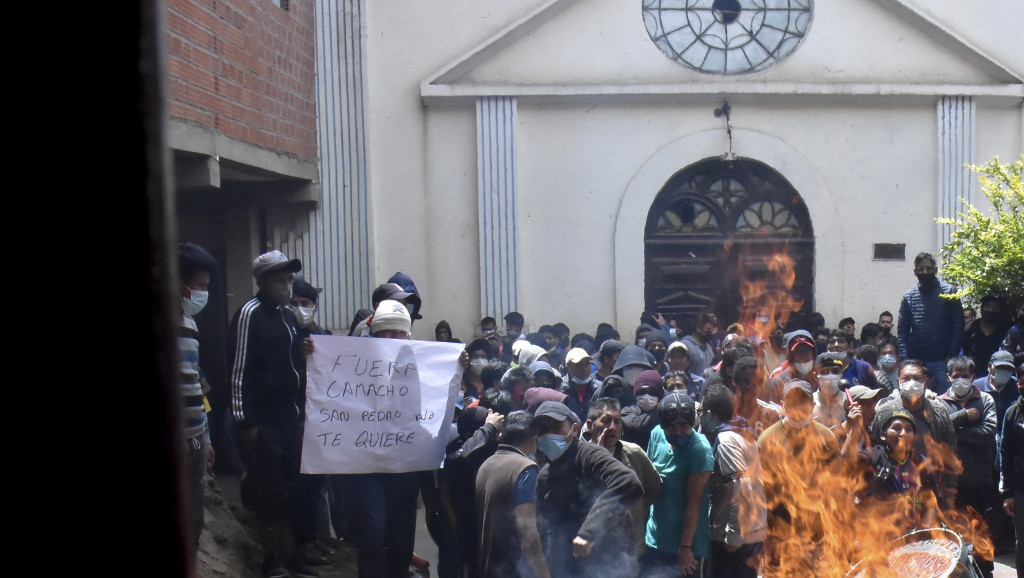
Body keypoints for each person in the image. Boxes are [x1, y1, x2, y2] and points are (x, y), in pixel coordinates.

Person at [228, 250, 316, 578]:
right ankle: (272, 560)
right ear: (261, 280)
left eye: (289, 278)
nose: (286, 284)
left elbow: (293, 365)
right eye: (280, 278)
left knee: (289, 489)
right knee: (269, 494)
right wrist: (244, 422)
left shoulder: (288, 316)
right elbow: (239, 371)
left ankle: (291, 556)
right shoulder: (250, 314)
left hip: (287, 419)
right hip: (262, 421)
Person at [338, 300, 424, 578]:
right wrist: (312, 359)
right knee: (373, 532)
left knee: (401, 535)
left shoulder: (417, 362)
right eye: (388, 333)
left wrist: (455, 367)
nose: (395, 339)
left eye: (400, 334)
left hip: (402, 463)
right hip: (365, 465)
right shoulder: (350, 363)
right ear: (375, 333)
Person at [533, 401, 644, 578]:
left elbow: (628, 482)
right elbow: (544, 529)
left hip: (609, 566)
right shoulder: (544, 477)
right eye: (543, 430)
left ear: (575, 429)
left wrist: (588, 533)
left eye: (556, 427)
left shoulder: (590, 455)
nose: (549, 434)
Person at [757, 379, 839, 575]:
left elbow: (837, 487)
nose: (797, 405)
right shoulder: (767, 440)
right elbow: (760, 494)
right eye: (792, 400)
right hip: (779, 533)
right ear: (783, 404)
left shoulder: (826, 438)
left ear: (812, 405)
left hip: (817, 534)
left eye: (803, 400)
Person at [644, 392, 715, 578]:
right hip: (657, 539)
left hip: (688, 547)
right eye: (672, 427)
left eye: (684, 426)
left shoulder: (699, 450)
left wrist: (684, 549)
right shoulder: (656, 435)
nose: (678, 432)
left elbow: (694, 503)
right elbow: (650, 481)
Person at [178, 242, 217, 572]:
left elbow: (193, 384)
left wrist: (205, 437)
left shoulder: (189, 326)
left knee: (194, 520)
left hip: (194, 439)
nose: (203, 294)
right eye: (200, 286)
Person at [939, 355, 997, 576]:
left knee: (982, 533)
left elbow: (987, 433)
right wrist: (964, 417)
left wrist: (953, 431)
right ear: (948, 377)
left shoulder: (986, 400)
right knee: (952, 536)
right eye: (956, 376)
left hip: (980, 479)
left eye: (965, 376)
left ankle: (985, 572)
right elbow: (938, 434)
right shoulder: (940, 402)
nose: (961, 380)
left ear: (973, 377)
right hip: (951, 483)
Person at [701, 383, 767, 578]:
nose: (700, 416)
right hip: (750, 533)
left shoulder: (726, 440)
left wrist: (733, 533)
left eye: (701, 411)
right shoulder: (740, 433)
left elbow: (740, 486)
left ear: (710, 413)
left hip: (739, 539)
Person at [475, 411, 550, 578]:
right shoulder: (526, 469)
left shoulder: (486, 465)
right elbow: (527, 531)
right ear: (533, 439)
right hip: (515, 569)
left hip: (489, 567)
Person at [586, 398, 662, 556]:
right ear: (589, 425)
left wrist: (637, 507)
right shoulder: (580, 457)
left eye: (617, 421)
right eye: (606, 421)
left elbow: (655, 486)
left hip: (630, 550)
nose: (612, 427)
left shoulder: (633, 453)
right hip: (593, 551)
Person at [859, 407, 940, 530]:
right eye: (896, 428)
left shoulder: (923, 464)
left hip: (914, 534)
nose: (903, 433)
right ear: (883, 435)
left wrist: (925, 529)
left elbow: (932, 503)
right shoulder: (873, 457)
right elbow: (845, 464)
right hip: (877, 534)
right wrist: (854, 429)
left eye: (908, 429)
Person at [447, 406, 505, 578]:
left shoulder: (494, 452)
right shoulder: (453, 454)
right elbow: (465, 455)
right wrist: (488, 427)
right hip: (467, 532)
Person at [897, 252, 965, 394]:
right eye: (921, 269)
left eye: (928, 268)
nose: (925, 272)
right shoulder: (909, 296)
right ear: (915, 272)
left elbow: (958, 326)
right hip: (916, 361)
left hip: (943, 360)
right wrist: (905, 360)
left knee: (945, 399)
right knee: (915, 398)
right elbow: (902, 331)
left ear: (936, 270)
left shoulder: (949, 292)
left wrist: (951, 355)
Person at [871, 359, 956, 461]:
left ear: (926, 382)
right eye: (906, 379)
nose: (912, 383)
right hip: (894, 474)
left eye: (917, 378)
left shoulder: (939, 411)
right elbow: (874, 446)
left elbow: (950, 448)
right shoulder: (883, 412)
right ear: (898, 382)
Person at [999, 363, 1024, 572]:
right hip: (1020, 488)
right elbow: (1005, 453)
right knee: (1023, 543)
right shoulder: (1013, 413)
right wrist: (1007, 492)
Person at [765, 330, 818, 405]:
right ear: (790, 356)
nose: (804, 355)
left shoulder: (821, 378)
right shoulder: (778, 382)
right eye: (799, 351)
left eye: (807, 350)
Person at [964, 295, 1012, 377]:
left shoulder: (1007, 328)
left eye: (995, 308)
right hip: (974, 375)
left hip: (999, 375)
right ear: (981, 310)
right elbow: (965, 352)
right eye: (988, 307)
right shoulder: (971, 327)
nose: (991, 310)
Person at [975, 350, 1020, 433]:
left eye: (1008, 368)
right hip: (985, 435)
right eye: (1000, 368)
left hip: (1011, 436)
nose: (1004, 371)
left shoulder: (1018, 387)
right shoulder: (977, 387)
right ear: (989, 367)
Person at [622, 369, 665, 449]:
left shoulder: (666, 414)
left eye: (651, 392)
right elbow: (635, 424)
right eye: (642, 392)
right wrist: (659, 411)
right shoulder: (627, 412)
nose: (646, 396)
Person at [561, 348, 598, 423]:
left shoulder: (598, 388)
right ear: (568, 369)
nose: (584, 369)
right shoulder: (561, 389)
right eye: (578, 365)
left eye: (587, 364)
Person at [682, 314, 717, 378]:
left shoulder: (708, 347)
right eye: (708, 329)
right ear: (698, 328)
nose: (711, 332)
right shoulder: (685, 345)